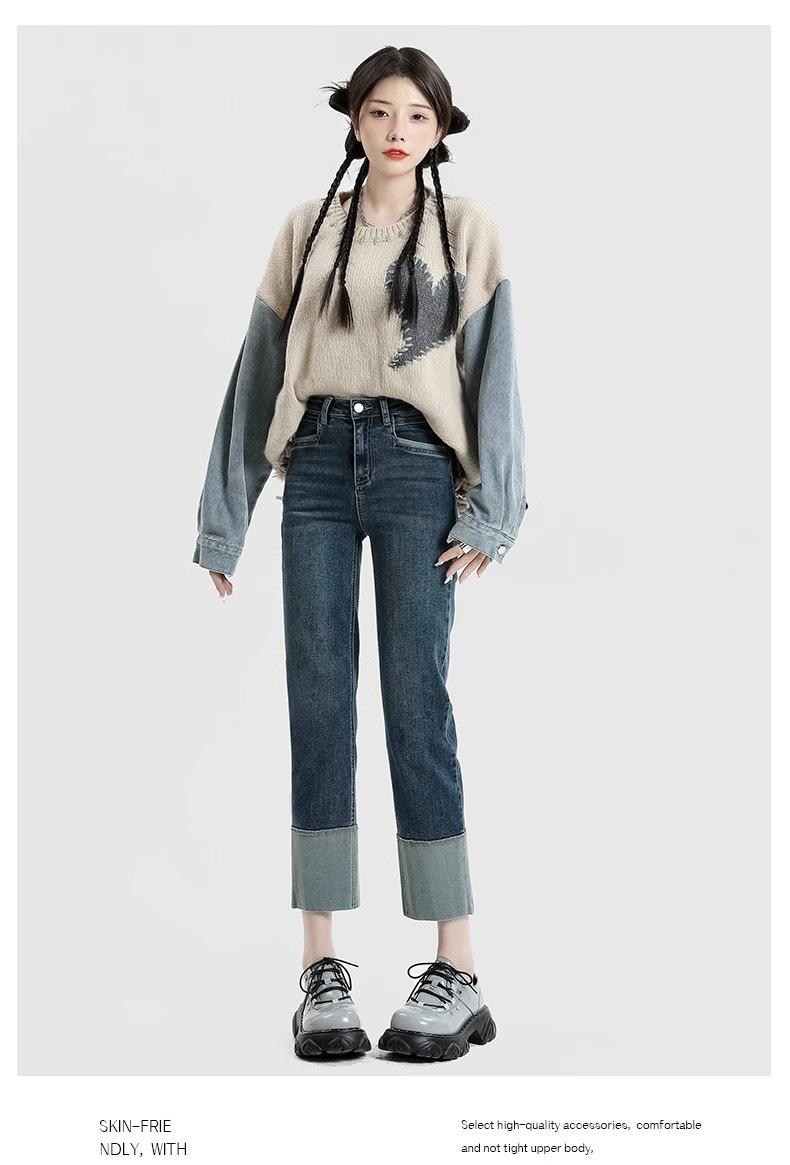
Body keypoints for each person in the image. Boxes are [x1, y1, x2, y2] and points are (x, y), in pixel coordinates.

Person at [192, 45, 528, 1062]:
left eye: (417, 116)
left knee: (418, 703)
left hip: (420, 470)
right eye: (379, 111)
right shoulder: (307, 228)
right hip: (316, 471)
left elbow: (495, 373)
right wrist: (225, 518)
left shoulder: (467, 230)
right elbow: (258, 370)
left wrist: (492, 512)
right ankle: (322, 969)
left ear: (439, 130)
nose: (396, 130)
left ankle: (456, 967)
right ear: (353, 120)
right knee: (319, 700)